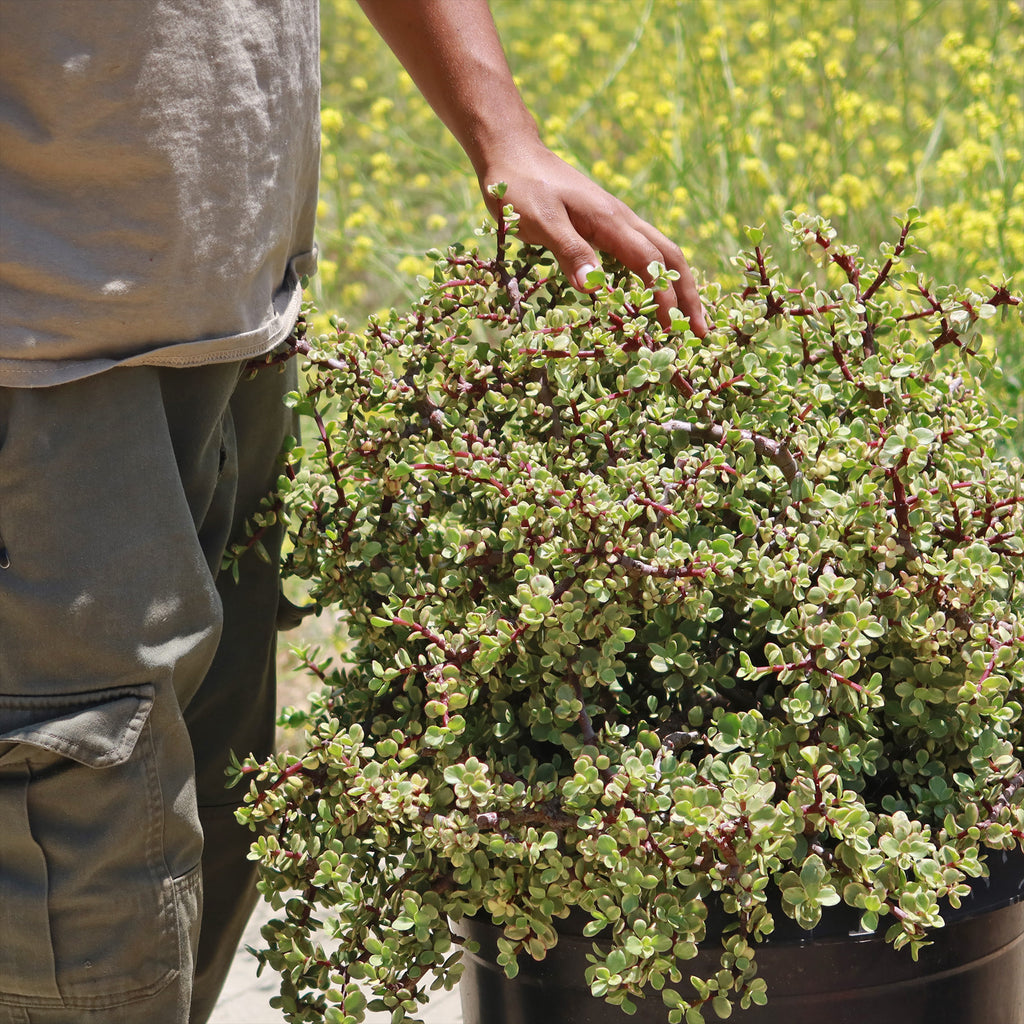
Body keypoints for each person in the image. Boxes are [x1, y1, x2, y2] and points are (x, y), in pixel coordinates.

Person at [0, 2, 706, 1022]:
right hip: (39, 368)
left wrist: (502, 132)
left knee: (191, 856)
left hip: (232, 329)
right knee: (83, 913)